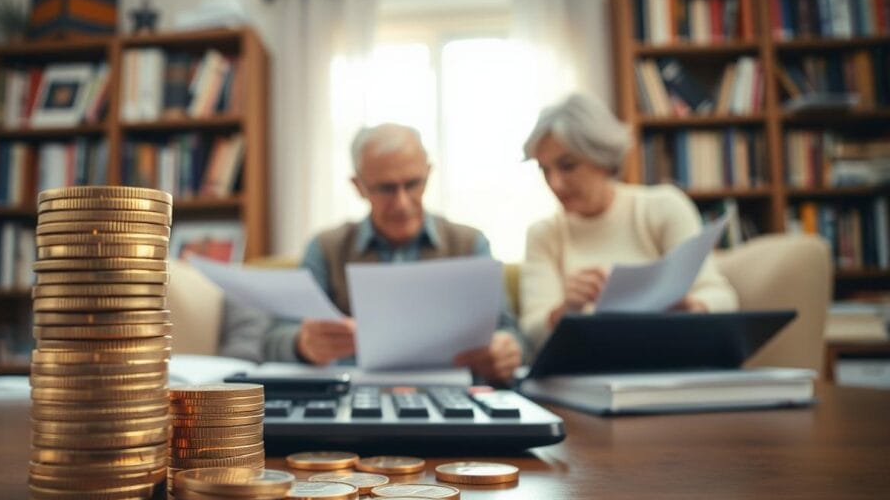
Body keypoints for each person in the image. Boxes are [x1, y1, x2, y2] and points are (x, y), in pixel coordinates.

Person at [262, 123, 526, 384]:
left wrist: (507, 350)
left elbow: (513, 335)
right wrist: (303, 344)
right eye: (386, 188)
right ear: (359, 186)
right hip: (352, 400)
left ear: (429, 174)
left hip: (453, 395)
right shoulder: (325, 248)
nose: (401, 202)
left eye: (413, 184)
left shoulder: (469, 244)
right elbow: (273, 339)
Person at [520, 93, 739, 350]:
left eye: (567, 166)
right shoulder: (544, 234)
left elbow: (723, 298)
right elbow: (532, 333)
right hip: (585, 370)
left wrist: (693, 307)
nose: (554, 184)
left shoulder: (662, 207)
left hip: (666, 360)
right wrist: (566, 309)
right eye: (544, 170)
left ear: (601, 158)